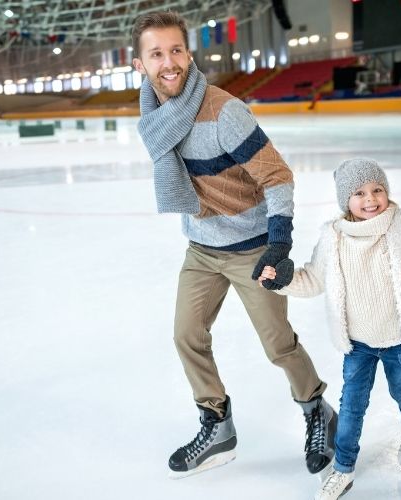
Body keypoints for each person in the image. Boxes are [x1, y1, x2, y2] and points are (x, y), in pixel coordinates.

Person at [131, 11, 336, 479]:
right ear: (140, 64)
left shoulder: (224, 112)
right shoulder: (156, 117)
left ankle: (317, 412)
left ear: (189, 53)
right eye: (156, 53)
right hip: (202, 249)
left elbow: (277, 176)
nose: (169, 62)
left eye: (176, 50)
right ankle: (217, 425)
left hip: (249, 247)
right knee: (187, 335)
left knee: (278, 345)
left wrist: (278, 242)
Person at [259, 158, 401, 499]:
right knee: (351, 406)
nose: (370, 199)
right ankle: (343, 468)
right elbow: (313, 280)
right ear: (344, 200)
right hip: (359, 344)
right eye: (359, 193)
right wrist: (283, 281)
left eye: (377, 189)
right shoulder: (333, 237)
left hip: (400, 339)